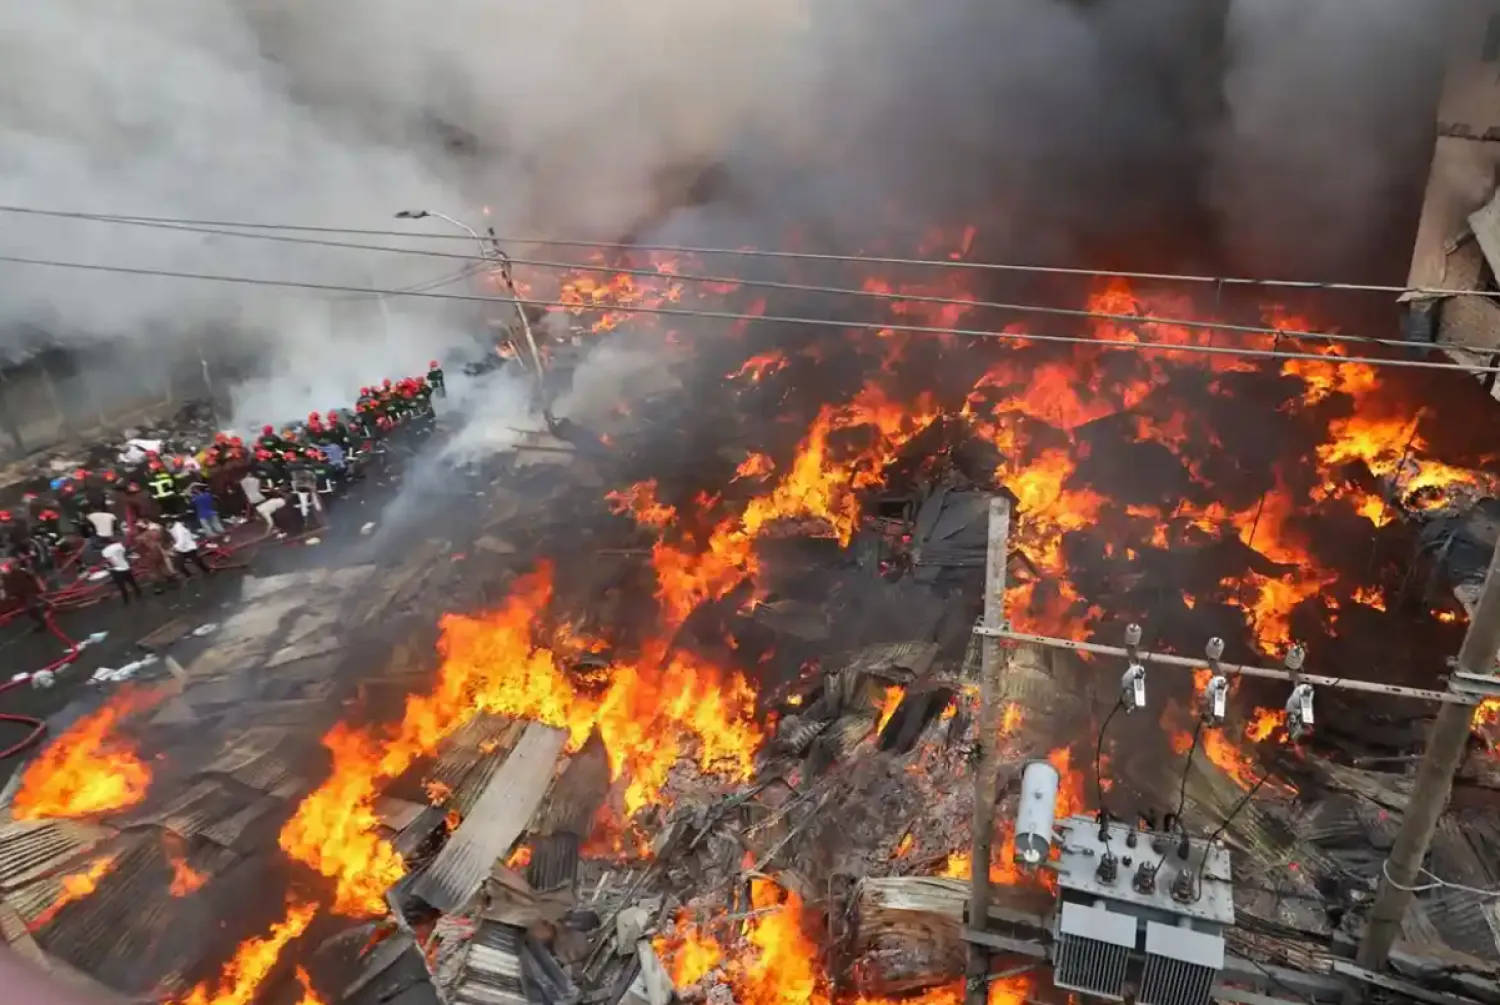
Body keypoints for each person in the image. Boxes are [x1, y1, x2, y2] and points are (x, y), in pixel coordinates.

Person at [1, 561, 48, 630]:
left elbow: (10, 588)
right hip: (25, 593)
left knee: (32, 608)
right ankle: (41, 619)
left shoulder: (15, 574)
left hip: (27, 593)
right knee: (30, 606)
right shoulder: (19, 572)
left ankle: (42, 623)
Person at [100, 539, 142, 604]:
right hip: (125, 567)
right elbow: (127, 554)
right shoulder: (119, 548)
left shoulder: (106, 552)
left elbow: (110, 562)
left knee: (121, 586)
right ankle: (138, 593)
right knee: (132, 582)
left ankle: (126, 600)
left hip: (116, 571)